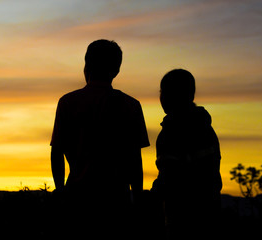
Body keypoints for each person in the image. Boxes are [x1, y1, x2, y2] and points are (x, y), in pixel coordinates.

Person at [50, 39, 149, 237]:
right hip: (116, 199)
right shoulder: (131, 105)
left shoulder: (68, 102)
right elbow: (135, 160)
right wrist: (137, 197)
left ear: (86, 65)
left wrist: (60, 189)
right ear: (117, 70)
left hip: (77, 197)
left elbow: (56, 151)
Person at [151, 69, 222, 239]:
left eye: (163, 92)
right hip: (209, 213)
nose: (161, 97)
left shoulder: (171, 132)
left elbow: (169, 177)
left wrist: (149, 200)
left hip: (181, 219)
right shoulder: (206, 128)